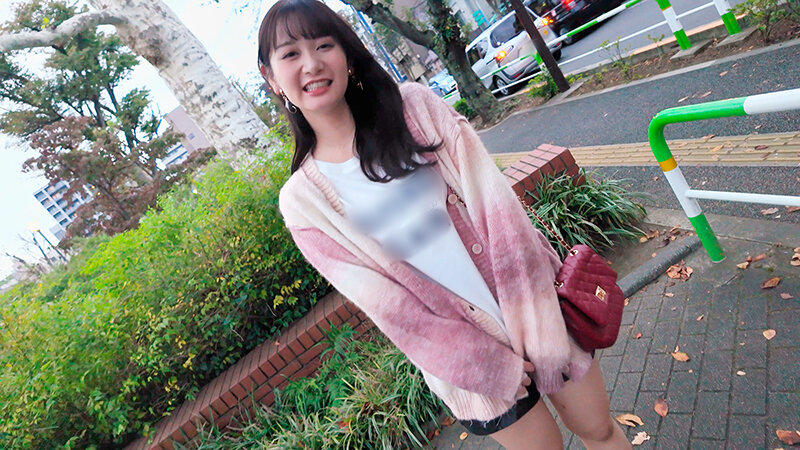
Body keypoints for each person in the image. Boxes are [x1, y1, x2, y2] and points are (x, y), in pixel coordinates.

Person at [257, 1, 630, 448]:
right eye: (290, 54)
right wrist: (486, 365)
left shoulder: (414, 109)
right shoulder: (304, 203)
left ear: (347, 55)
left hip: (537, 304)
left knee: (599, 430)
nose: (312, 64)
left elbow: (499, 208)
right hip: (469, 367)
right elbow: (393, 309)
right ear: (270, 77)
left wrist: (535, 318)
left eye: (323, 45)